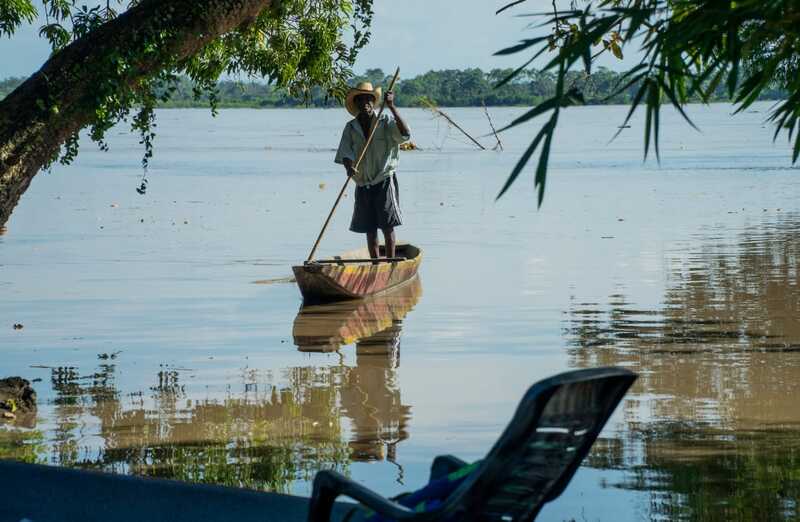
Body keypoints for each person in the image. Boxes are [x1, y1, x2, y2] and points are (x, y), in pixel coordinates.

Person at [334, 81, 410, 259]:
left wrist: (391, 107)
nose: (366, 103)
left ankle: (390, 263)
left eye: (369, 99)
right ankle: (375, 264)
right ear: (357, 104)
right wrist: (349, 166)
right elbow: (345, 152)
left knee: (387, 225)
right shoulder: (351, 127)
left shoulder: (385, 121)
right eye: (361, 100)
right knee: (369, 228)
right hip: (362, 181)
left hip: (383, 179)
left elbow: (405, 134)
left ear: (373, 102)